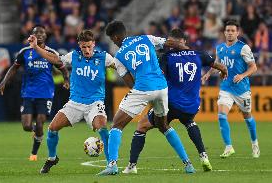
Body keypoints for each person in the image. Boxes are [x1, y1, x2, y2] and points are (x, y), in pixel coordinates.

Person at [122, 28, 228, 174]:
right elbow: (220, 66)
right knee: (189, 122)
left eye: (172, 42)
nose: (170, 45)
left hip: (171, 103)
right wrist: (224, 72)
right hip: (192, 105)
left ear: (180, 42)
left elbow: (160, 76)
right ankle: (204, 156)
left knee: (142, 126)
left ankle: (132, 166)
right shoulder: (199, 54)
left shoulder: (167, 57)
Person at [98, 21, 196, 176]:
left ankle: (112, 165)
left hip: (143, 88)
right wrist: (184, 47)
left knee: (116, 124)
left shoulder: (119, 57)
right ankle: (188, 164)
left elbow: (130, 82)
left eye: (112, 40)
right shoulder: (146, 38)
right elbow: (169, 42)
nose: (114, 43)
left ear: (116, 37)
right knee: (163, 126)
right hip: (162, 88)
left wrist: (142, 95)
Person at [28, 30, 116, 174]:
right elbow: (56, 60)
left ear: (93, 44)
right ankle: (52, 158)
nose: (86, 50)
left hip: (95, 103)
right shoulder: (73, 56)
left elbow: (119, 66)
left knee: (103, 129)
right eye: (83, 47)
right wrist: (37, 47)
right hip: (74, 103)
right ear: (79, 45)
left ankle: (111, 164)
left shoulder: (104, 57)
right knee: (52, 129)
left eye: (89, 46)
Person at [0, 25, 69, 161]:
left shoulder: (51, 52)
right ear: (32, 36)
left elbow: (63, 68)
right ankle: (36, 130)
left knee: (41, 123)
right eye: (36, 33)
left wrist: (66, 80)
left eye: (42, 32)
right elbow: (14, 68)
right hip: (28, 93)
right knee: (26, 126)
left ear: (46, 35)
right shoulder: (25, 52)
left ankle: (34, 153)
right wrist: (3, 82)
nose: (40, 35)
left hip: (46, 93)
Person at [202, 20, 260, 158]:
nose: (230, 33)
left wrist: (242, 75)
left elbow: (254, 67)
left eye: (232, 31)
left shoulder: (243, 48)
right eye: (227, 30)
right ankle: (228, 147)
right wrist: (208, 74)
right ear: (224, 32)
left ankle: (255, 143)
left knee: (247, 116)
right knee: (222, 115)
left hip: (242, 90)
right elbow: (217, 64)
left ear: (237, 33)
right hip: (226, 87)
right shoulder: (220, 48)